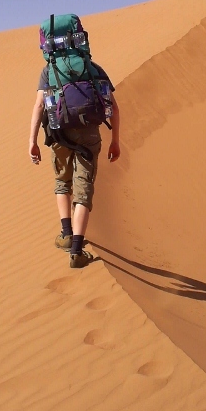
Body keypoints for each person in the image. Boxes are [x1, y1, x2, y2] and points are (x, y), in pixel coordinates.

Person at [28, 55, 120, 269]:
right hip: (89, 134)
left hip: (59, 133)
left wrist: (32, 141)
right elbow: (113, 107)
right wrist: (115, 141)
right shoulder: (93, 67)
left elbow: (40, 105)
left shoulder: (49, 70)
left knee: (62, 182)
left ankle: (67, 234)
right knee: (83, 188)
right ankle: (77, 251)